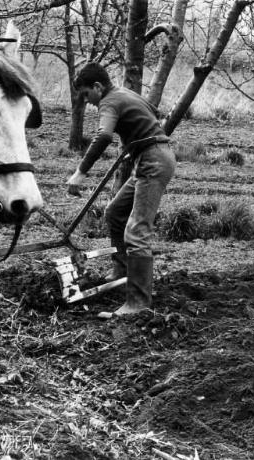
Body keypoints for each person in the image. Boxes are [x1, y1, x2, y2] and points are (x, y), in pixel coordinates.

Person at [66, 62, 175, 318]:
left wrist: (80, 172)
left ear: (97, 87)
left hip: (153, 160)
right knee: (114, 212)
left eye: (85, 95)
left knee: (136, 231)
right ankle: (123, 269)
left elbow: (103, 135)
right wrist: (136, 140)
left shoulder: (108, 101)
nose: (87, 102)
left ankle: (137, 303)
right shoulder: (126, 93)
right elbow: (153, 112)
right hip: (149, 157)